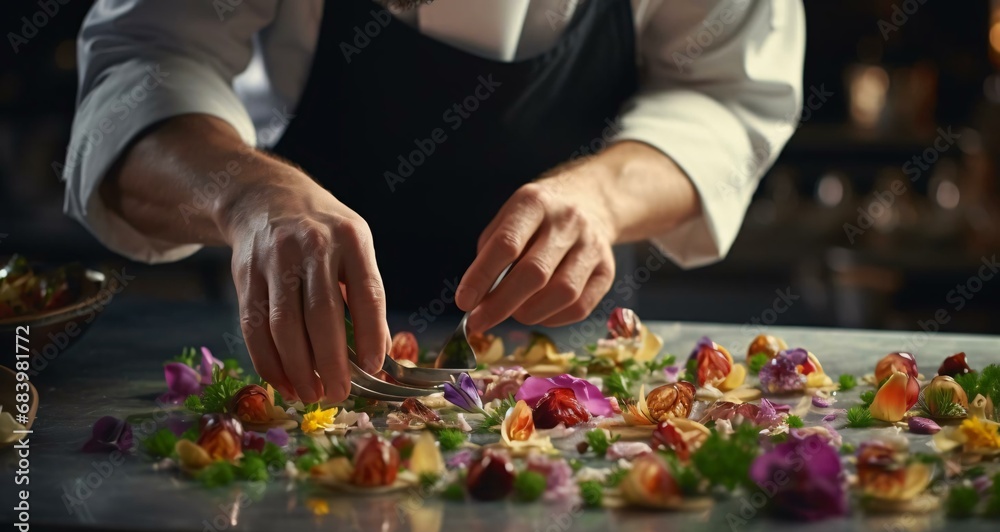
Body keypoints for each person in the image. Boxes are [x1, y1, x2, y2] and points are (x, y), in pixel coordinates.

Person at [63, 0, 805, 403]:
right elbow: (146, 61)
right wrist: (248, 192)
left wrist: (604, 193)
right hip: (300, 352)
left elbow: (730, 93)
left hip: (577, 355)